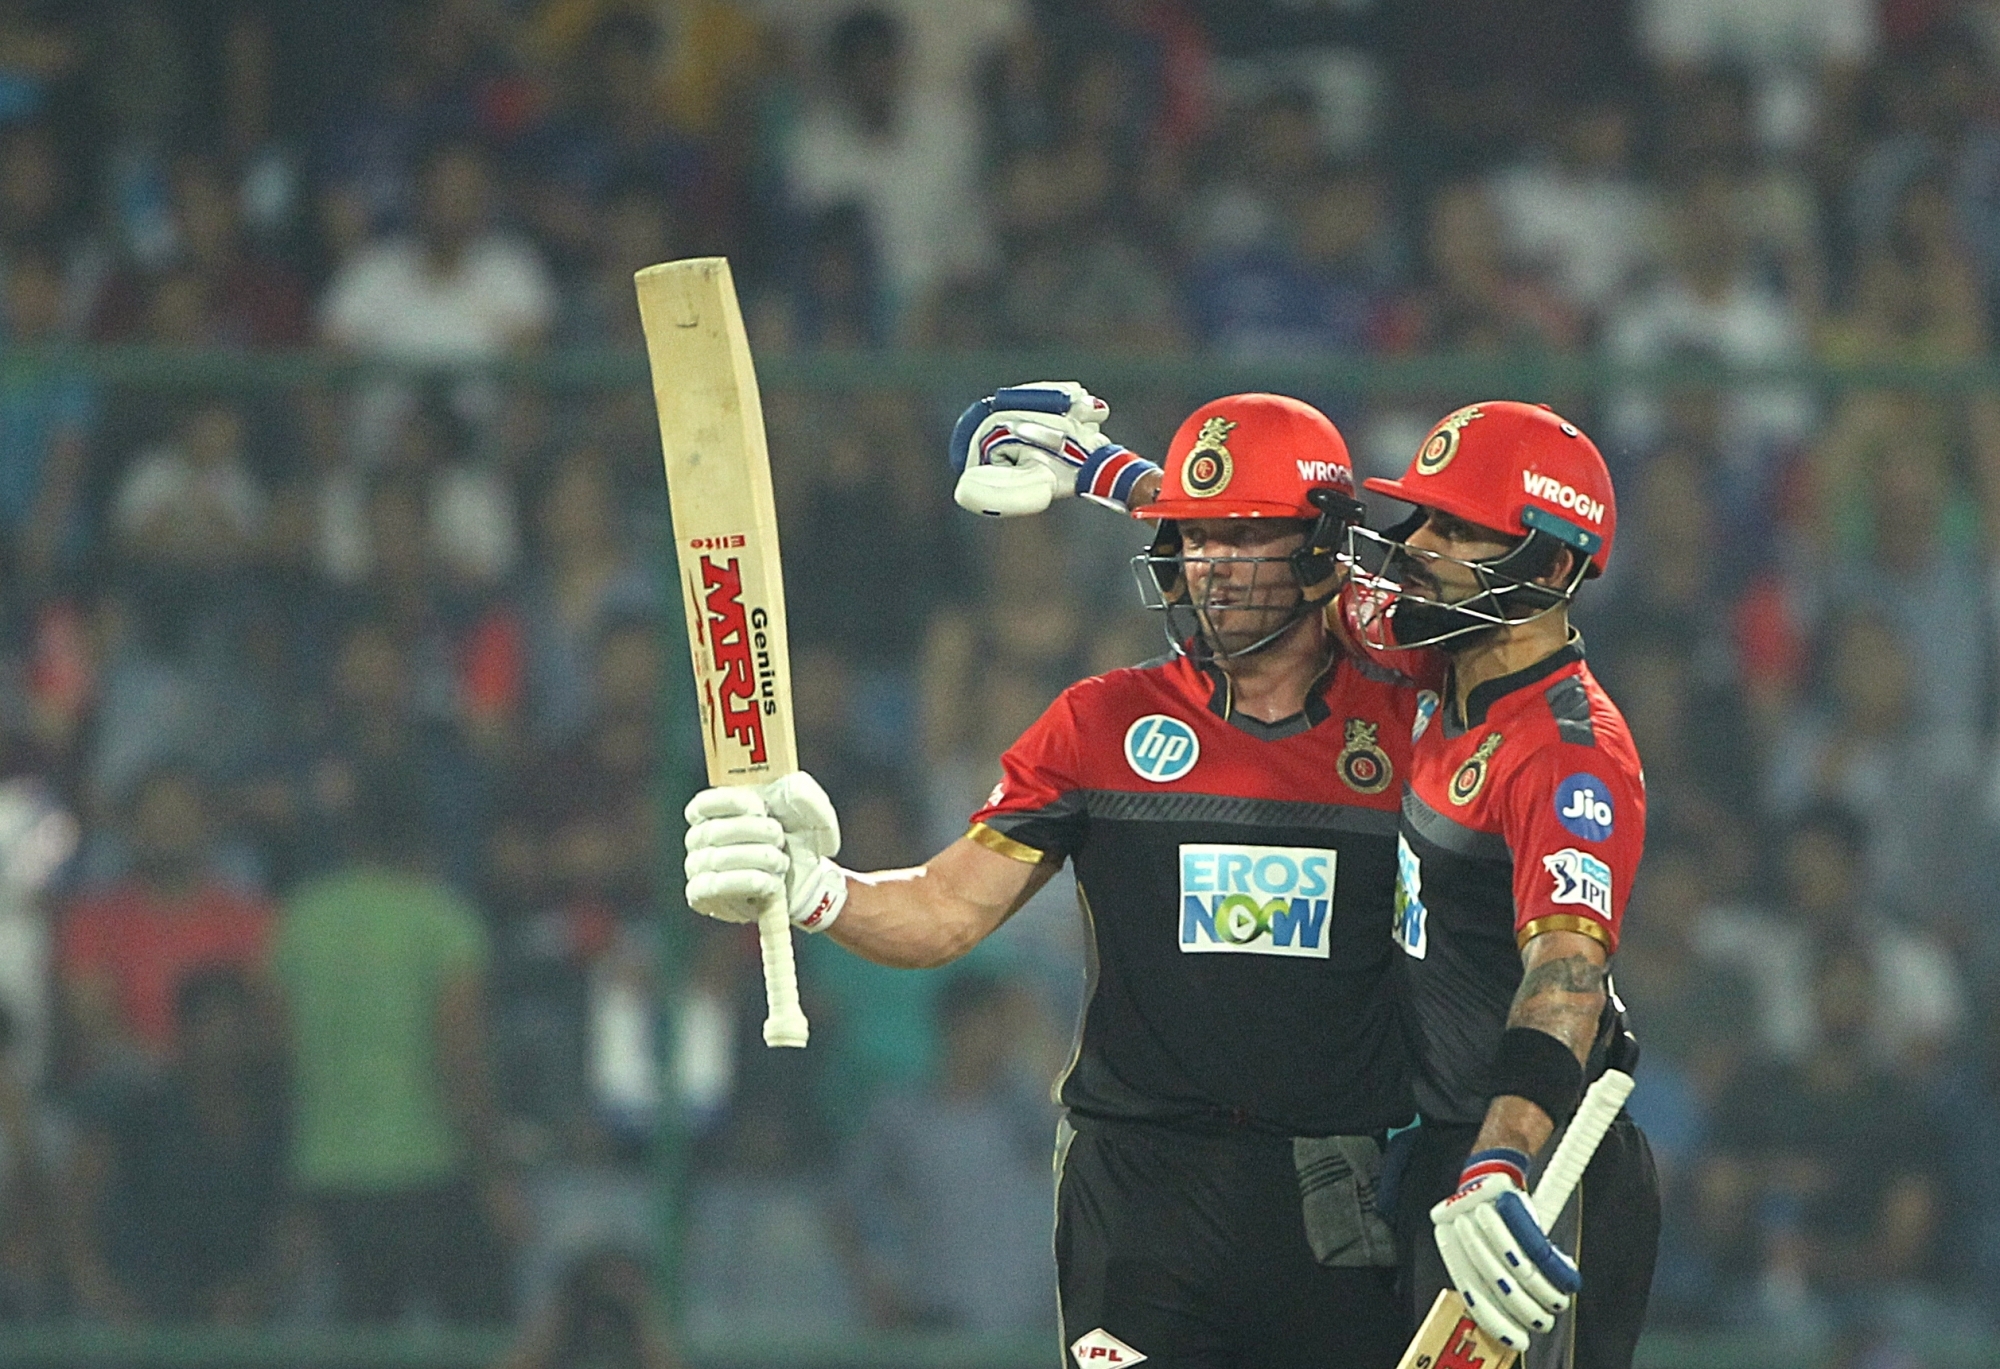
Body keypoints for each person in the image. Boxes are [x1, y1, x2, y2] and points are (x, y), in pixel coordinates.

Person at [685, 393, 1420, 1369]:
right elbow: (945, 908)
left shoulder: (1413, 724)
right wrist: (811, 885)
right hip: (1140, 1191)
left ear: (1325, 548)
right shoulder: (1099, 723)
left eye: (1246, 536)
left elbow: (1490, 629)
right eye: (1196, 537)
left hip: (1338, 1187)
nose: (1213, 567)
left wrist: (1112, 474)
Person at [960, 391, 1659, 1368]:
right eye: (1419, 517)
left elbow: (1567, 977)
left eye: (1456, 529)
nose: (1416, 546)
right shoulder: (1424, 643)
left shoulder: (1569, 755)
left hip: (1539, 1166)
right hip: (1448, 1163)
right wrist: (1113, 474)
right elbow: (1279, 561)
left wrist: (1501, 1160)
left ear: (1548, 567)